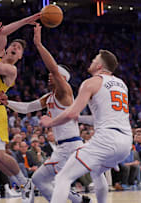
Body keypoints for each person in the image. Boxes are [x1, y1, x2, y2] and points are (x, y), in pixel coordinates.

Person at [0, 23, 89, 203]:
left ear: (62, 79)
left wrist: (38, 44)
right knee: (42, 180)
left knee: (45, 180)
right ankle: (79, 201)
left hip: (70, 147)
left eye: (53, 74)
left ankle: (77, 201)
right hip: (64, 147)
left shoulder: (65, 92)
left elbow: (54, 68)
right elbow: (28, 107)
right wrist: (8, 103)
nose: (49, 75)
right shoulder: (49, 96)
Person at [40, 49, 132, 203]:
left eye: (95, 59)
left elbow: (70, 113)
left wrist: (51, 122)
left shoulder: (91, 83)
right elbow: (102, 118)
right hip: (126, 141)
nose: (92, 61)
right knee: (97, 172)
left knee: (63, 177)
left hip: (106, 139)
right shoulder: (122, 85)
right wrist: (81, 118)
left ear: (100, 66)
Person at [0, 13, 40, 202]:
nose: (15, 47)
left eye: (18, 48)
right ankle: (21, 184)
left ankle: (25, 183)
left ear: (19, 57)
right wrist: (26, 21)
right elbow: (3, 32)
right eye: (13, 45)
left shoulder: (11, 69)